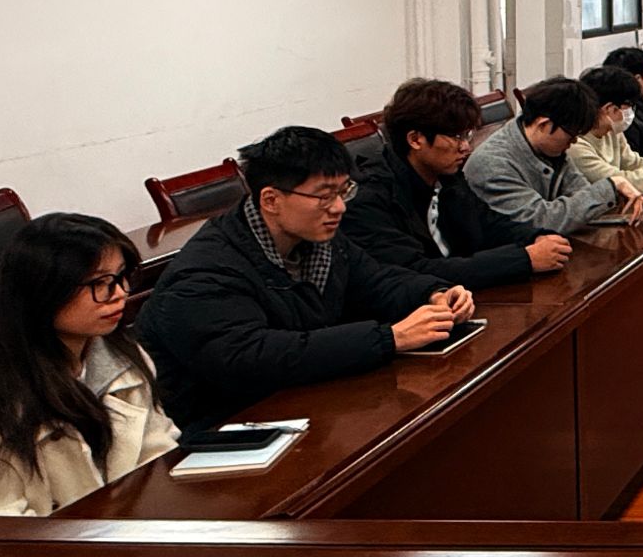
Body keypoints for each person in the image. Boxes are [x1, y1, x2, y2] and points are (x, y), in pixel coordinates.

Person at [137, 127, 473, 431]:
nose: (339, 207)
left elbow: (377, 282)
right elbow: (251, 357)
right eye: (324, 196)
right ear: (271, 199)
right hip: (226, 430)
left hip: (301, 404)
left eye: (344, 191)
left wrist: (433, 294)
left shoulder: (318, 240)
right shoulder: (205, 272)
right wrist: (388, 338)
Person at [0, 215, 178, 515]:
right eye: (99, 283)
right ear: (43, 291)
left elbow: (159, 455)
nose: (119, 293)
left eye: (120, 277)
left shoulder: (124, 358)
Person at [341, 78, 572, 290]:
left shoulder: (447, 176)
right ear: (415, 139)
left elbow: (488, 223)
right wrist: (524, 259)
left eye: (467, 135)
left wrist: (535, 237)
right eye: (456, 137)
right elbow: (416, 271)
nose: (466, 147)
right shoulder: (369, 197)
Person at [465, 77, 643, 235]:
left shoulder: (552, 148)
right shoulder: (492, 164)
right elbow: (542, 220)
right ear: (544, 124)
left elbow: (579, 192)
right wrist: (611, 186)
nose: (574, 142)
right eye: (571, 136)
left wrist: (608, 194)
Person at [571, 66, 643, 196]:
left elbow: (632, 163)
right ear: (610, 109)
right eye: (628, 106)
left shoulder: (612, 131)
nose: (631, 112)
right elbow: (622, 182)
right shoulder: (575, 145)